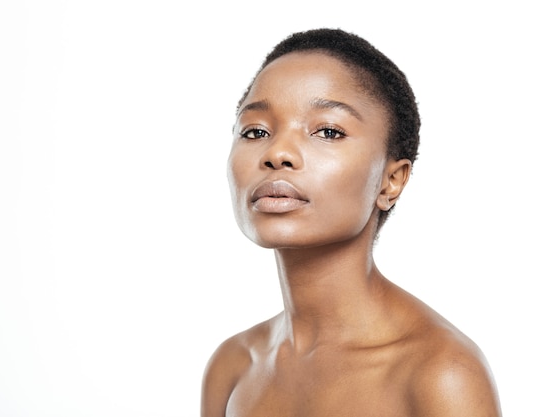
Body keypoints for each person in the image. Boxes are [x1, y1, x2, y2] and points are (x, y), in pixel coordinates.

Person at [201, 28, 502, 417]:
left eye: (327, 131)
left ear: (390, 181)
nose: (277, 153)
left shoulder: (440, 374)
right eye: (255, 131)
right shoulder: (233, 368)